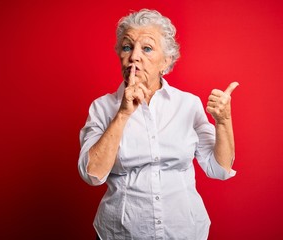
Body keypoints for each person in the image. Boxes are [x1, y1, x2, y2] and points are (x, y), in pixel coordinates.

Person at [78, 9, 238, 240]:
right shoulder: (102, 108)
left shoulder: (188, 104)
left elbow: (219, 169)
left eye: (147, 48)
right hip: (120, 234)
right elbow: (92, 175)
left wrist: (223, 122)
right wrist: (122, 114)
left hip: (185, 232)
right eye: (127, 47)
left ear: (166, 61)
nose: (134, 56)